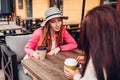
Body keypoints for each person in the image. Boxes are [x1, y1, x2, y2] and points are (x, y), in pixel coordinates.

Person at [64, 5, 120, 80]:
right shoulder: (112, 54)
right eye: (53, 22)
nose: (57, 24)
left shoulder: (63, 31)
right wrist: (88, 59)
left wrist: (76, 76)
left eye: (59, 21)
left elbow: (73, 44)